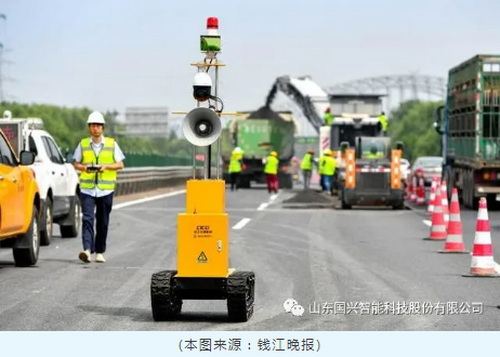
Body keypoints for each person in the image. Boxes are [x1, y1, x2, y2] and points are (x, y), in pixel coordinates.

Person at [73, 111, 125, 263]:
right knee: (87, 219)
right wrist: (84, 168)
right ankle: (87, 250)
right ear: (89, 128)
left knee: (102, 221)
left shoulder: (111, 144)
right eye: (92, 125)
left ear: (102, 128)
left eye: (98, 125)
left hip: (105, 189)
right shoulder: (83, 144)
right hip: (87, 189)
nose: (95, 128)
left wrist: (106, 167)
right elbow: (76, 163)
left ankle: (100, 251)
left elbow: (121, 164)